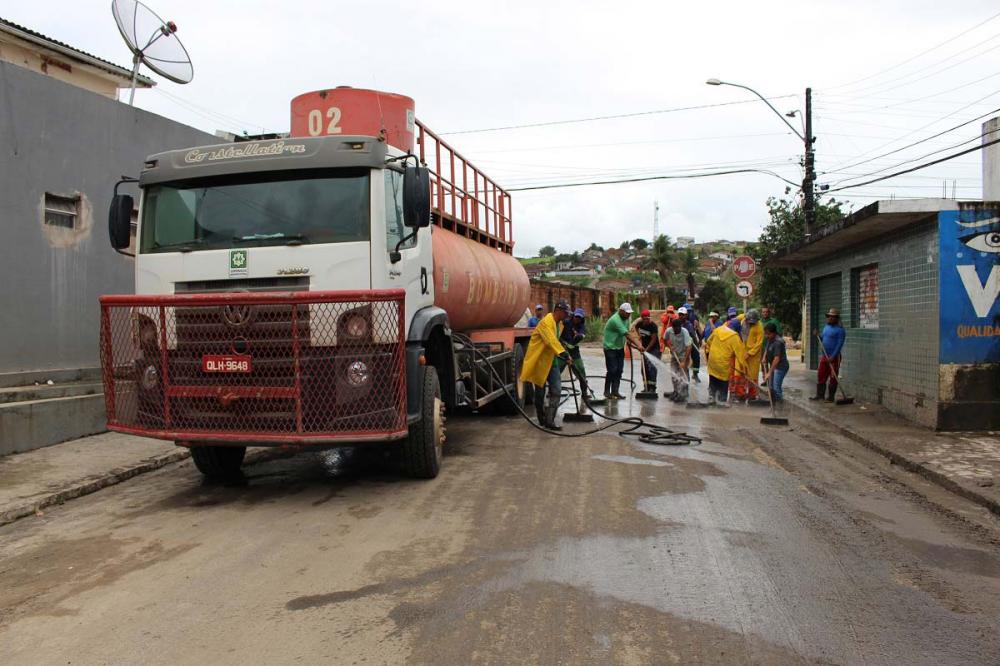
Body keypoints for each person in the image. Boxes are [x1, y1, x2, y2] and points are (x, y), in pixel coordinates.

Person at [520, 300, 571, 429]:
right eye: (565, 313)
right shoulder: (545, 322)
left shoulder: (559, 324)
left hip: (551, 362)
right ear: (558, 311)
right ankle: (541, 418)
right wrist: (564, 353)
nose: (567, 316)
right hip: (539, 362)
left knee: (557, 391)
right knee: (540, 393)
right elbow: (550, 340)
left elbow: (556, 340)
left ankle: (550, 421)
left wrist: (564, 349)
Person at [703, 318, 743, 404]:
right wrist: (744, 369)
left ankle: (711, 398)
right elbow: (740, 356)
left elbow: (708, 341)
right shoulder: (735, 337)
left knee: (713, 379)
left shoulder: (718, 329)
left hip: (712, 360)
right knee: (723, 382)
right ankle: (722, 401)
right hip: (723, 363)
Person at [560, 307, 590, 411]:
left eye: (579, 318)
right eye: (576, 316)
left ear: (582, 319)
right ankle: (552, 391)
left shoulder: (581, 326)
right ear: (573, 316)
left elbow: (582, 334)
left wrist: (579, 336)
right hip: (562, 350)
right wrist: (562, 343)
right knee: (556, 370)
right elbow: (558, 333)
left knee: (581, 371)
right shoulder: (566, 323)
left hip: (574, 351)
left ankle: (584, 393)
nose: (577, 319)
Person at [813, 307, 846, 402]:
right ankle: (820, 395)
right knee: (821, 374)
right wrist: (818, 335)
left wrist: (833, 356)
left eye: (832, 317)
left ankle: (831, 397)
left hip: (834, 357)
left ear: (837, 318)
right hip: (825, 356)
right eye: (829, 316)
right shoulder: (826, 327)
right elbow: (823, 338)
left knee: (833, 377)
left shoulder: (840, 330)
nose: (830, 318)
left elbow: (839, 345)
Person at [731, 309, 764, 401]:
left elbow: (759, 343)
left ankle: (752, 395)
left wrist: (750, 353)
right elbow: (731, 322)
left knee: (752, 375)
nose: (750, 323)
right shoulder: (742, 318)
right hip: (741, 351)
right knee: (738, 373)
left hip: (753, 356)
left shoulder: (759, 327)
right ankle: (740, 393)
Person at [603, 302, 632, 400]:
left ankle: (615, 391)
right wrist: (639, 345)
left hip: (619, 347)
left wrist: (630, 343)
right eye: (627, 313)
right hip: (610, 347)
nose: (629, 315)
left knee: (619, 370)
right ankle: (607, 391)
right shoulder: (615, 320)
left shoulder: (626, 319)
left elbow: (627, 333)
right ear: (621, 311)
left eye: (629, 313)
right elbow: (627, 334)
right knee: (612, 370)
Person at [663, 317, 692, 402]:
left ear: (681, 326)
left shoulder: (685, 332)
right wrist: (669, 347)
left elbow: (689, 347)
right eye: (674, 328)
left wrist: (684, 361)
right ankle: (676, 391)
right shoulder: (669, 331)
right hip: (675, 355)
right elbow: (665, 339)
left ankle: (684, 393)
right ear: (672, 327)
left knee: (683, 374)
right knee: (674, 374)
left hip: (684, 355)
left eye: (678, 327)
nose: (676, 329)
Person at [632, 309, 660, 390]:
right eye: (645, 319)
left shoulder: (653, 326)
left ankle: (652, 387)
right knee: (644, 368)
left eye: (648, 318)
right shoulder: (639, 324)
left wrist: (646, 350)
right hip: (644, 348)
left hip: (654, 349)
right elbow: (636, 328)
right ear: (642, 318)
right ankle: (646, 386)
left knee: (652, 367)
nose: (647, 320)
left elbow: (653, 339)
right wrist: (639, 336)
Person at [762, 323, 788, 402]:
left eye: (768, 334)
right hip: (774, 366)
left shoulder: (778, 342)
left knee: (776, 387)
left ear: (774, 333)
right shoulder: (770, 339)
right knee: (770, 386)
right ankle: (773, 402)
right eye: (765, 334)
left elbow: (777, 359)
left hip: (781, 367)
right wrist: (764, 357)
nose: (766, 336)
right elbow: (767, 348)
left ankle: (779, 405)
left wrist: (769, 372)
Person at [676, 306, 702, 383]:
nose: (681, 316)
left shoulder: (691, 322)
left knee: (696, 357)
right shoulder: (677, 323)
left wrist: (699, 340)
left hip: (692, 342)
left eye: (683, 314)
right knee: (683, 360)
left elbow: (695, 332)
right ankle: (682, 377)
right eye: (680, 314)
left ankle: (695, 374)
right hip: (682, 344)